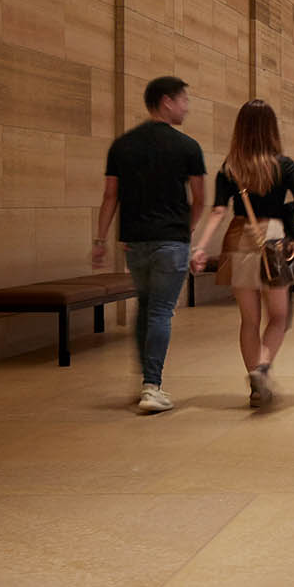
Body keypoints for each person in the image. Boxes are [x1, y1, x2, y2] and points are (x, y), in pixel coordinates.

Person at [92, 76, 206, 414]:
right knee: (160, 311)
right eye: (183, 100)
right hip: (171, 242)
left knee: (145, 307)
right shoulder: (188, 147)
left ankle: (146, 379)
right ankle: (152, 386)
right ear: (166, 102)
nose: (186, 106)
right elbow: (199, 199)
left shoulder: (122, 145)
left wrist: (100, 239)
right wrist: (187, 230)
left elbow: (110, 196)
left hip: (135, 243)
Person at [189, 99, 294, 408]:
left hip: (237, 238)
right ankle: (262, 368)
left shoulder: (230, 167)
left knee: (248, 320)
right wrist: (287, 224)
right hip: (271, 239)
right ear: (271, 129)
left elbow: (218, 211)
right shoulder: (284, 166)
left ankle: (256, 387)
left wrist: (201, 246)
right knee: (279, 316)